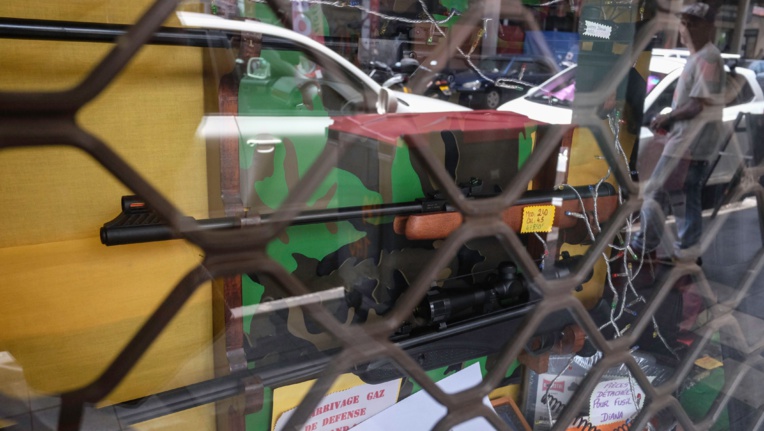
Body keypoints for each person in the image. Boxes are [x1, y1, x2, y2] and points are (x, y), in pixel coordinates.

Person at [630, 2, 725, 262]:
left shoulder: (708, 58)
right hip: (685, 142)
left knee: (664, 193)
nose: (685, 30)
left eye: (691, 24)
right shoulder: (698, 57)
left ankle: (659, 247)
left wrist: (667, 116)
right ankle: (669, 248)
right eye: (683, 23)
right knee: (675, 195)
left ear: (707, 28)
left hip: (690, 145)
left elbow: (698, 104)